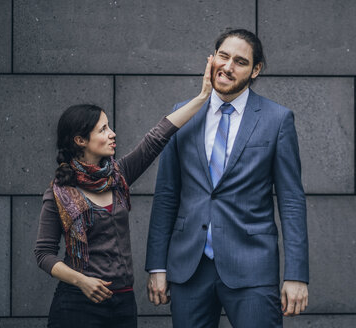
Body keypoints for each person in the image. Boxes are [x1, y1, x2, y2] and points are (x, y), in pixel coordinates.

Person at [145, 29, 309, 327]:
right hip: (188, 268)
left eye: (240, 61)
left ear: (255, 69)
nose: (228, 66)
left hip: (252, 269)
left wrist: (296, 275)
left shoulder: (277, 119)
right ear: (212, 58)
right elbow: (167, 194)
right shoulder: (182, 114)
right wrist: (157, 265)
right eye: (223, 56)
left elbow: (291, 201)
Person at [34, 56, 213, 328]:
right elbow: (44, 254)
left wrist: (202, 97)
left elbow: (157, 137)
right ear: (80, 140)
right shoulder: (60, 192)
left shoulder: (119, 175)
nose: (112, 133)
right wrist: (82, 280)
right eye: (103, 129)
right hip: (77, 302)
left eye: (109, 126)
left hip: (123, 303)